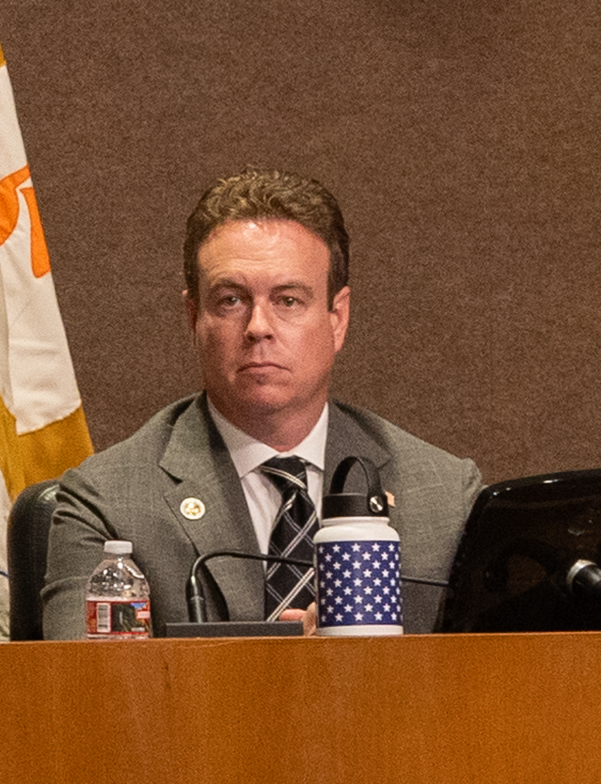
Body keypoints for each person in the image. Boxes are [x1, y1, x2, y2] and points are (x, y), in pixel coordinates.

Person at [37, 170, 480, 634]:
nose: (257, 327)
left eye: (288, 300)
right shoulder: (109, 503)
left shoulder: (445, 499)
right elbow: (83, 693)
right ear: (194, 318)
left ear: (337, 319)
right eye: (231, 300)